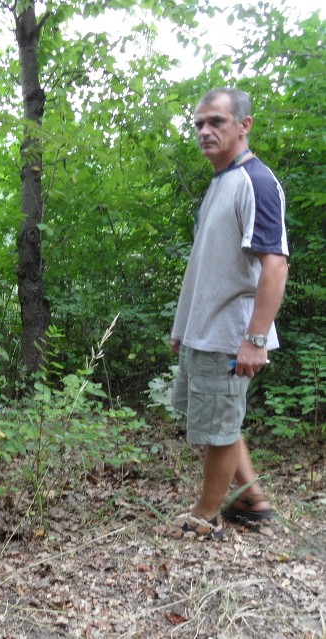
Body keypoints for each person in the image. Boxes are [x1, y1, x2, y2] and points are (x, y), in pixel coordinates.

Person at [168, 87, 289, 540]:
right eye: (199, 123)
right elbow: (209, 268)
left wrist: (254, 340)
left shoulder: (255, 181)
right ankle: (253, 500)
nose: (204, 131)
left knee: (219, 430)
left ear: (244, 125)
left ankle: (207, 513)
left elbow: (274, 265)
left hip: (231, 337)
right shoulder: (220, 182)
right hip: (206, 331)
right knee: (223, 420)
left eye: (216, 121)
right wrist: (184, 328)